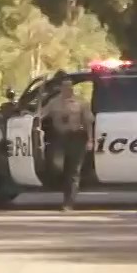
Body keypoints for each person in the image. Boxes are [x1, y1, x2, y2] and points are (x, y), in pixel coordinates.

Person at [43, 75, 92, 210]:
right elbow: (41, 114)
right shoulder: (54, 102)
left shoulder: (81, 102)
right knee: (56, 165)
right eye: (65, 86)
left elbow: (88, 122)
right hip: (59, 138)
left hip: (77, 138)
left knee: (73, 171)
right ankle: (58, 185)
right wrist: (28, 115)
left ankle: (68, 202)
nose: (68, 89)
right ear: (61, 88)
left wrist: (90, 140)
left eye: (70, 87)